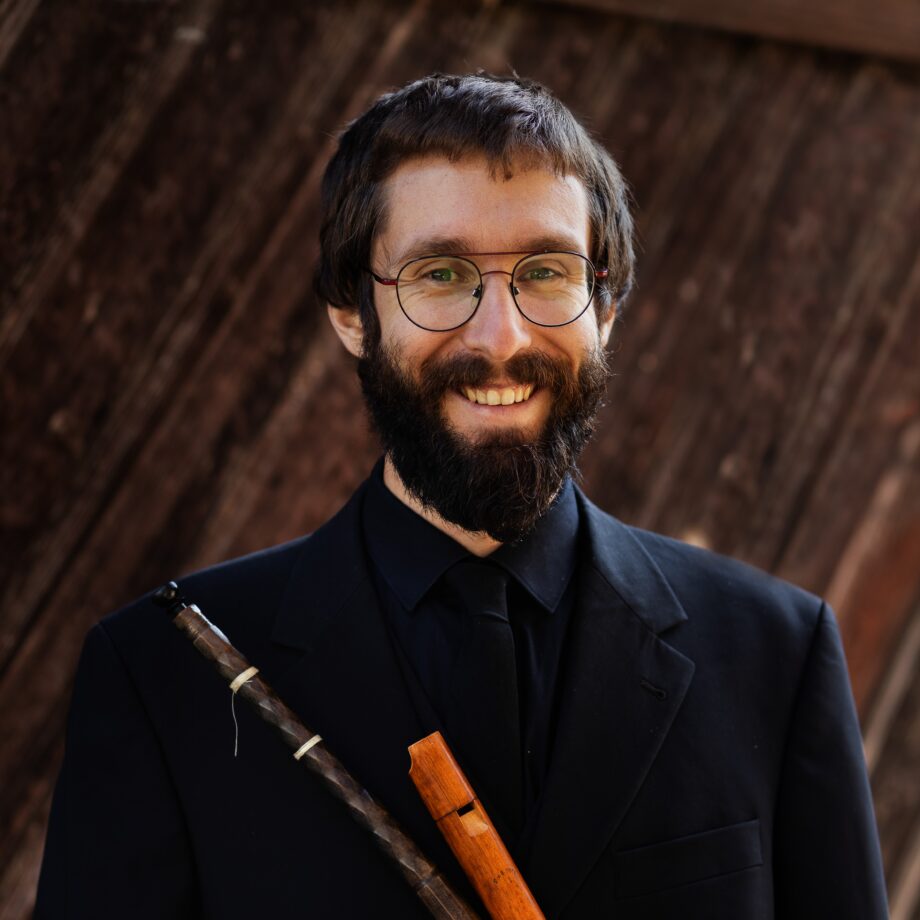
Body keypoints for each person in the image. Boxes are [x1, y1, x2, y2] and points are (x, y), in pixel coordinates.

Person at [35, 73, 888, 919]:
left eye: (546, 271)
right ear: (352, 315)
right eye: (440, 273)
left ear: (605, 309)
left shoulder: (777, 657)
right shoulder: (159, 677)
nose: (501, 337)